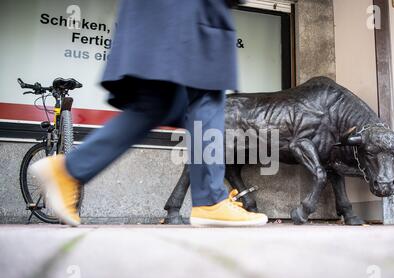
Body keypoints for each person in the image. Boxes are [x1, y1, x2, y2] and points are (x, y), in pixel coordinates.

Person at [30, 0, 268, 227]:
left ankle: (69, 170)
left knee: (157, 103)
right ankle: (210, 199)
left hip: (155, 12)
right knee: (207, 90)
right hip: (193, 10)